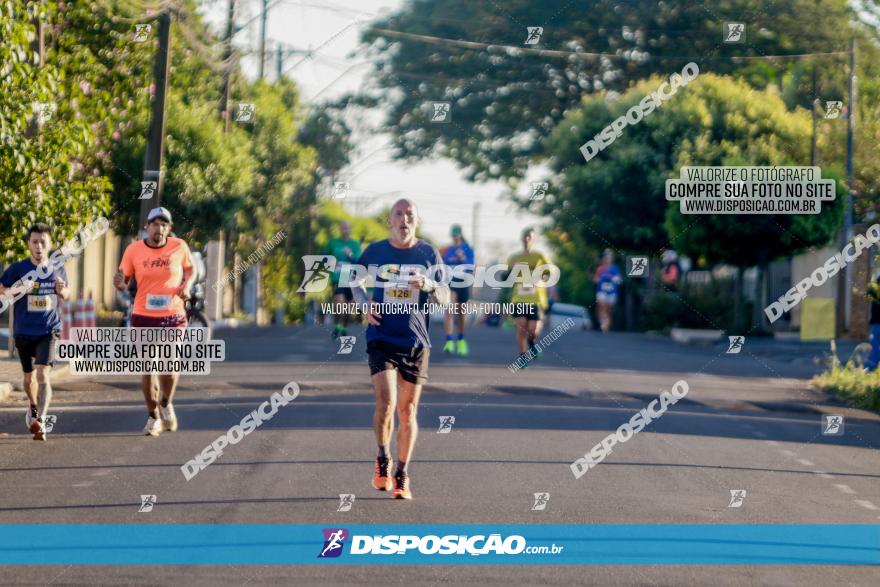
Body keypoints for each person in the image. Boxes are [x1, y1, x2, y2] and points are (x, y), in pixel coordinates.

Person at [350, 199, 450, 500]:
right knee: (387, 403)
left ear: (416, 221)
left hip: (416, 342)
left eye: (409, 215)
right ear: (390, 221)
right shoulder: (376, 251)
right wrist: (365, 305)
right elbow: (354, 281)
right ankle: (383, 458)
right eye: (398, 214)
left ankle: (403, 474)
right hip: (381, 336)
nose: (404, 219)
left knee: (408, 412)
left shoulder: (428, 253)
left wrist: (429, 286)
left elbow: (446, 297)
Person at [114, 207, 195, 436]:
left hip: (173, 316)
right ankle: (153, 417)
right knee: (148, 368)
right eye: (154, 224)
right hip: (143, 315)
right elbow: (124, 279)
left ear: (169, 229)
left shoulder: (179, 246)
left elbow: (191, 269)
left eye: (163, 224)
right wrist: (120, 284)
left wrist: (186, 286)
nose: (158, 228)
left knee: (169, 366)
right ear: (147, 227)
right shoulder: (133, 250)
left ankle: (166, 403)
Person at [0, 224, 70, 441]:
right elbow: (2, 292)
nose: (39, 246)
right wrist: (19, 288)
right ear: (29, 244)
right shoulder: (17, 269)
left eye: (43, 242)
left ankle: (41, 419)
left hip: (48, 329)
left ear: (50, 244)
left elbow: (66, 293)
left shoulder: (57, 268)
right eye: (35, 242)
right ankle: (32, 407)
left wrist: (62, 290)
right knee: (28, 377)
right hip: (23, 330)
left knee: (42, 373)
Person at [507, 227, 552, 361]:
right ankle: (522, 357)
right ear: (522, 239)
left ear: (533, 239)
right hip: (519, 298)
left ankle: (532, 343)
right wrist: (513, 271)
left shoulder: (540, 256)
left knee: (532, 330)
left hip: (536, 299)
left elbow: (548, 274)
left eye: (530, 237)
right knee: (521, 328)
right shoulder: (514, 258)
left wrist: (538, 277)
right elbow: (506, 277)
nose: (527, 239)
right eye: (525, 236)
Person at [440, 224, 475, 356]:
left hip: (463, 281)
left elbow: (471, 266)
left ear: (460, 233)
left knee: (461, 314)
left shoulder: (467, 249)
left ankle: (461, 339)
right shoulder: (447, 249)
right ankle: (449, 340)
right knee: (449, 311)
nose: (455, 234)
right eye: (453, 232)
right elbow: (441, 264)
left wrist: (463, 258)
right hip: (450, 281)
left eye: (457, 232)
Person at [326, 221, 362, 339]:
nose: (345, 230)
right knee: (338, 301)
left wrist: (350, 255)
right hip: (337, 276)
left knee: (347, 305)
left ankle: (344, 327)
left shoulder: (355, 244)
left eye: (347, 228)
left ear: (350, 230)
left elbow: (358, 262)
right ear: (340, 229)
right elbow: (323, 256)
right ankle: (337, 326)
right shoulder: (333, 243)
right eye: (343, 228)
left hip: (350, 277)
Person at [593, 249, 622, 333]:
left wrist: (616, 280)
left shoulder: (615, 269)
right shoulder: (600, 268)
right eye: (606, 257)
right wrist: (597, 279)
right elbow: (595, 279)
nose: (607, 259)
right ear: (604, 258)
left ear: (611, 259)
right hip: (601, 291)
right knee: (601, 305)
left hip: (612, 292)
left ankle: (606, 325)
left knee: (609, 309)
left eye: (609, 257)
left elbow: (619, 280)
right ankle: (602, 322)